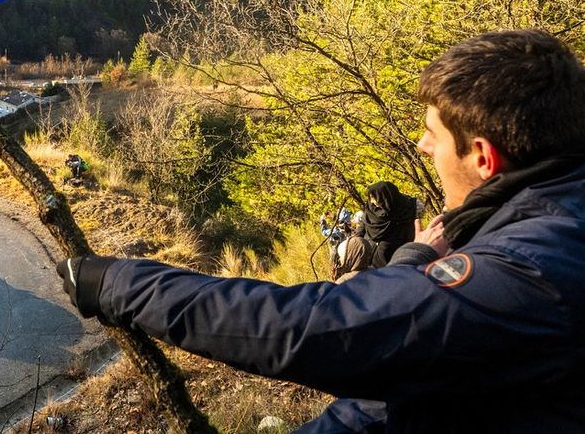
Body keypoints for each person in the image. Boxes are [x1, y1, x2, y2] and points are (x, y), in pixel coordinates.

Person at [57, 30, 585, 432]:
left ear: (483, 156)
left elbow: (315, 328)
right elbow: (405, 378)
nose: (422, 146)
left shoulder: (527, 272)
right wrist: (412, 266)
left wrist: (121, 284)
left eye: (432, 134)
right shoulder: (556, 218)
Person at [360, 180, 418, 268]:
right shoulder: (371, 210)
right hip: (369, 257)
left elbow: (409, 235)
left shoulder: (404, 211)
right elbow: (363, 225)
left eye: (374, 198)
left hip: (394, 259)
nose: (372, 202)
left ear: (384, 196)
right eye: (370, 198)